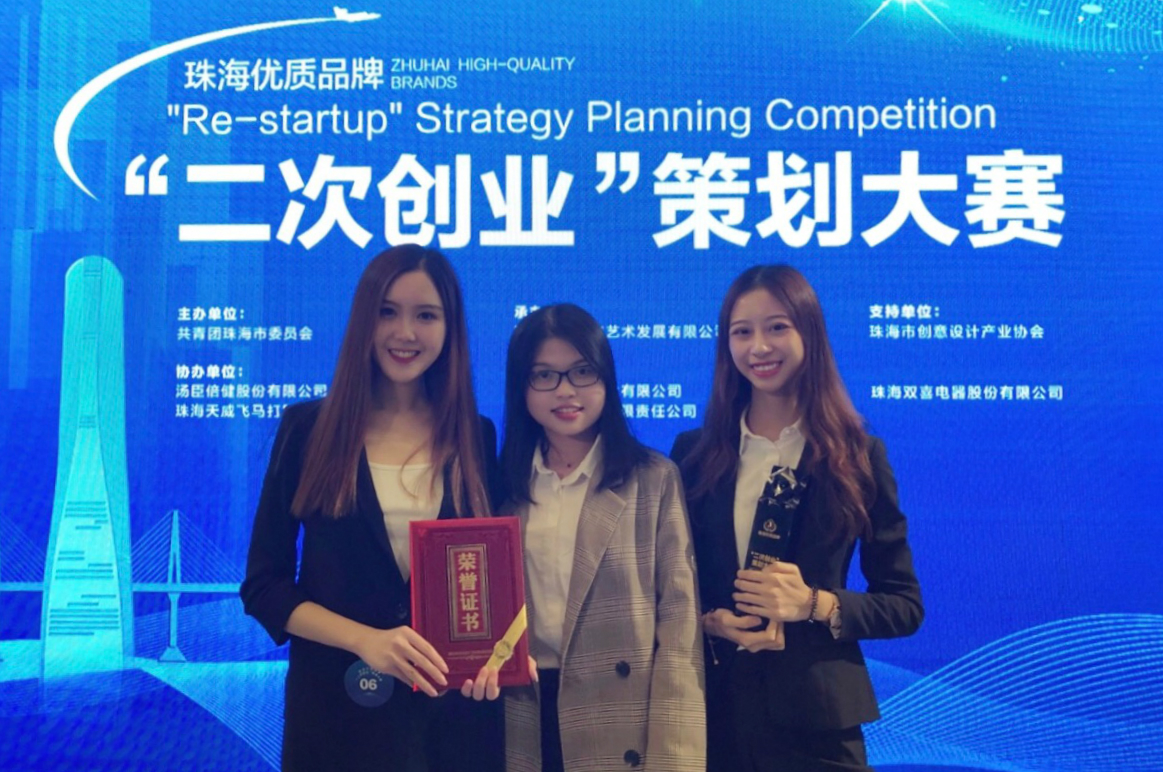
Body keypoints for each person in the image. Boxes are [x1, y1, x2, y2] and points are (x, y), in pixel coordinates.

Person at [240, 245, 503, 772]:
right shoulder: (307, 430)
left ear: (449, 328)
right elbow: (264, 585)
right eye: (387, 311)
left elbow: (487, 582)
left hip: (450, 723)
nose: (405, 332)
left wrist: (497, 658)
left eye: (425, 315)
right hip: (335, 717)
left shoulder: (476, 435)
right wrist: (366, 641)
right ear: (364, 319)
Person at [670, 265, 923, 772]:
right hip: (713, 715)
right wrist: (709, 622)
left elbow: (904, 605)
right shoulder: (694, 455)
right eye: (742, 332)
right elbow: (667, 588)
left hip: (819, 721)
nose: (759, 347)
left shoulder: (859, 456)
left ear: (809, 332)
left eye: (777, 327)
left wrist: (814, 603)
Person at [463, 303, 704, 772]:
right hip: (522, 712)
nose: (565, 390)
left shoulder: (653, 479)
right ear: (521, 387)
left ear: (605, 378)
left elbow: (680, 635)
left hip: (622, 722)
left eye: (582, 371)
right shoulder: (500, 486)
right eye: (544, 375)